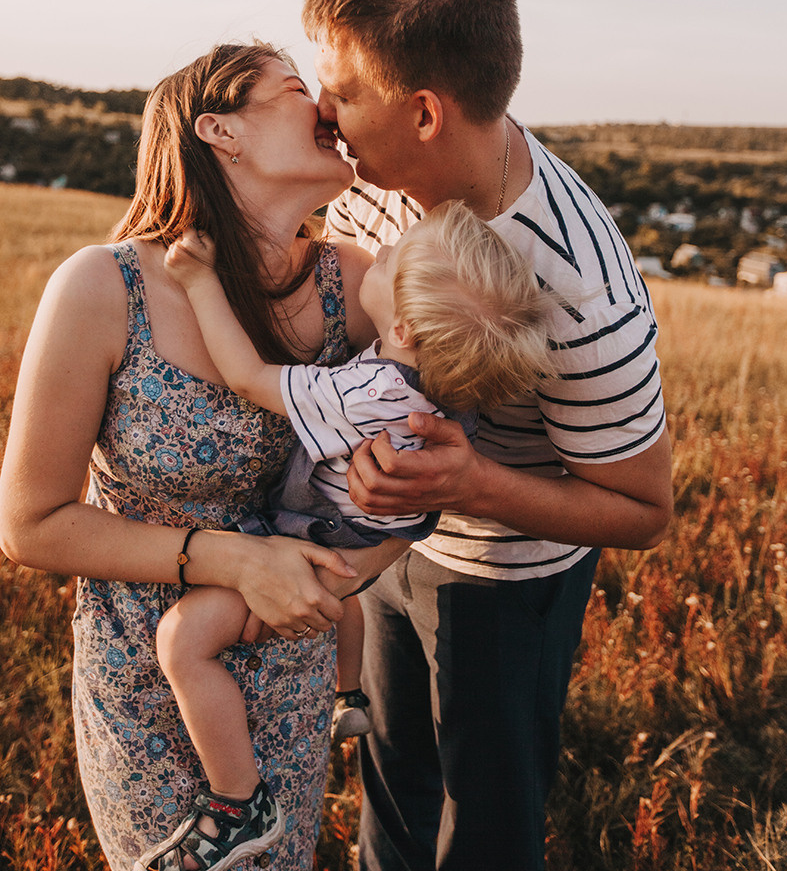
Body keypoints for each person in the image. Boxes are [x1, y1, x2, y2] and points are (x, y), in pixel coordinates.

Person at [301, 0, 674, 871]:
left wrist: (466, 484)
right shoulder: (377, 181)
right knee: (393, 787)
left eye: (342, 89)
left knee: (488, 817)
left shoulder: (581, 289)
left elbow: (643, 509)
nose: (321, 107)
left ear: (425, 111)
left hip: (510, 582)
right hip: (384, 550)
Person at [0, 41, 407, 871]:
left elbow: (426, 428)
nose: (327, 105)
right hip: (145, 666)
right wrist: (230, 559)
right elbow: (29, 524)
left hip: (287, 657)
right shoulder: (104, 287)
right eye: (297, 89)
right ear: (220, 130)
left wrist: (367, 543)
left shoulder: (353, 286)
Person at [152, 198, 554, 868]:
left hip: (313, 559)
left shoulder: (367, 393)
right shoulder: (445, 394)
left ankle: (237, 800)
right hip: (358, 556)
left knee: (183, 641)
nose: (382, 250)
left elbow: (249, 377)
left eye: (393, 258)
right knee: (354, 592)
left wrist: (198, 281)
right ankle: (348, 693)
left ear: (401, 325)